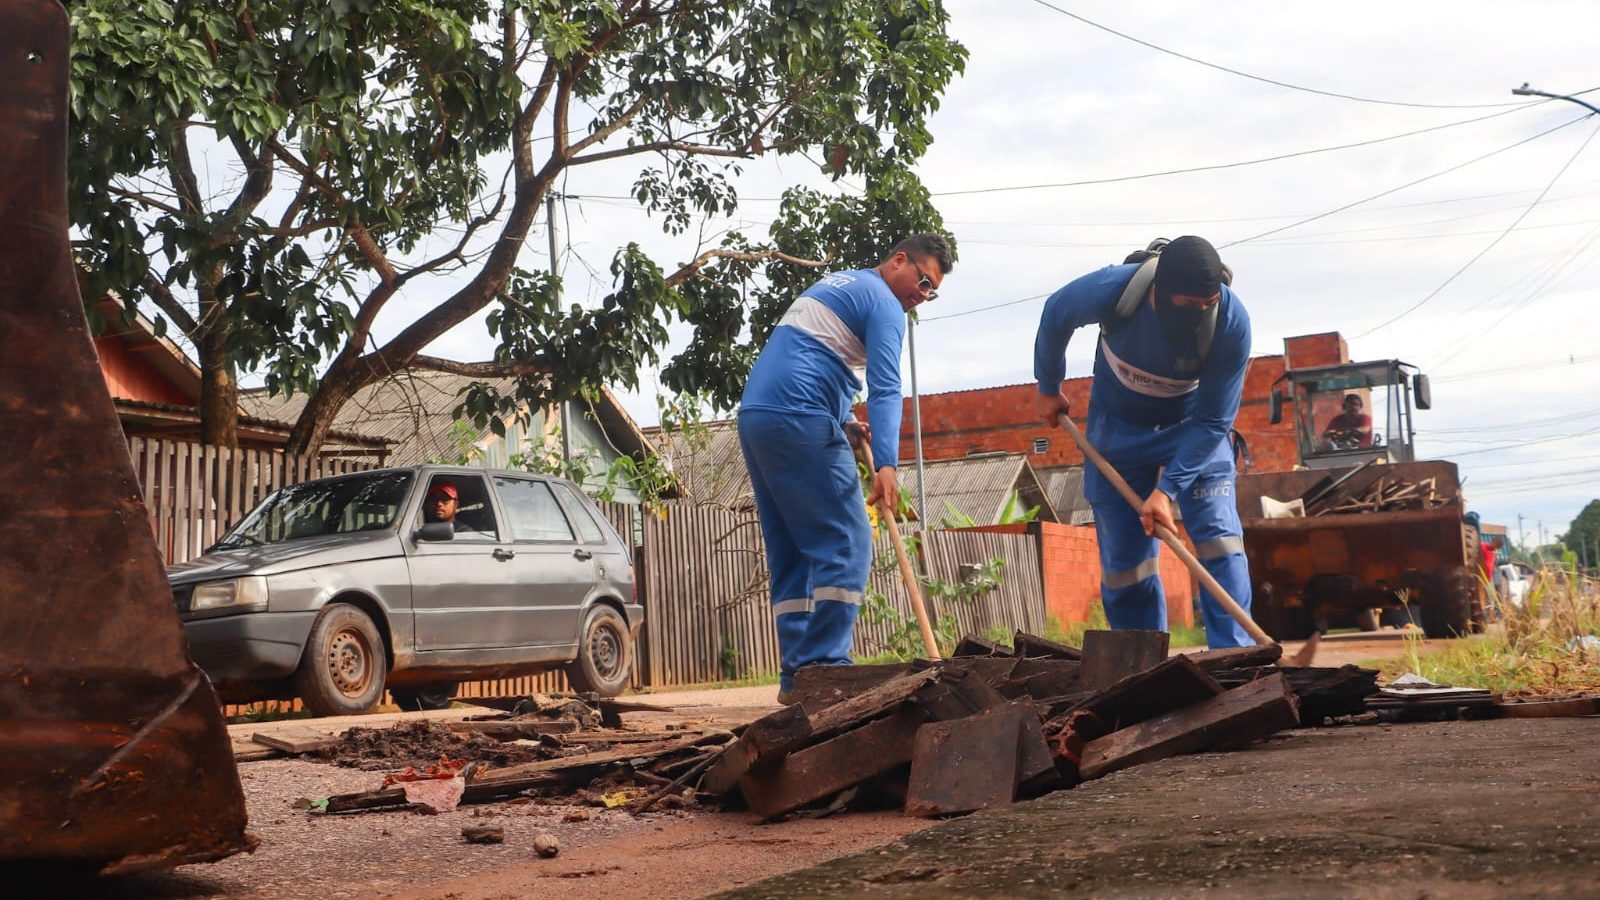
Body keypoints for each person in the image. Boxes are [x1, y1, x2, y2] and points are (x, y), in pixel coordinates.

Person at [739, 234, 954, 703]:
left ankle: (798, 678)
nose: (922, 294)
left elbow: (812, 356)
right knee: (849, 539)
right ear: (899, 260)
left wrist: (842, 422)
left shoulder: (843, 285)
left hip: (759, 417)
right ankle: (828, 671)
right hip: (799, 415)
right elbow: (885, 387)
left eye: (931, 291)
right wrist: (889, 465)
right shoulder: (885, 304)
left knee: (793, 553)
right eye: (922, 280)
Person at [1033, 235, 1254, 648]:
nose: (1197, 314)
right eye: (1186, 305)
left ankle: (1237, 660)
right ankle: (1141, 663)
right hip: (1119, 434)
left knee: (1220, 540)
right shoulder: (1115, 289)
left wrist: (1167, 490)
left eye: (1206, 305)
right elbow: (1056, 312)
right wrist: (1049, 386)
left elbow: (1213, 421)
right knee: (1125, 567)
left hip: (1193, 434)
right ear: (1159, 290)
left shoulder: (1231, 322)